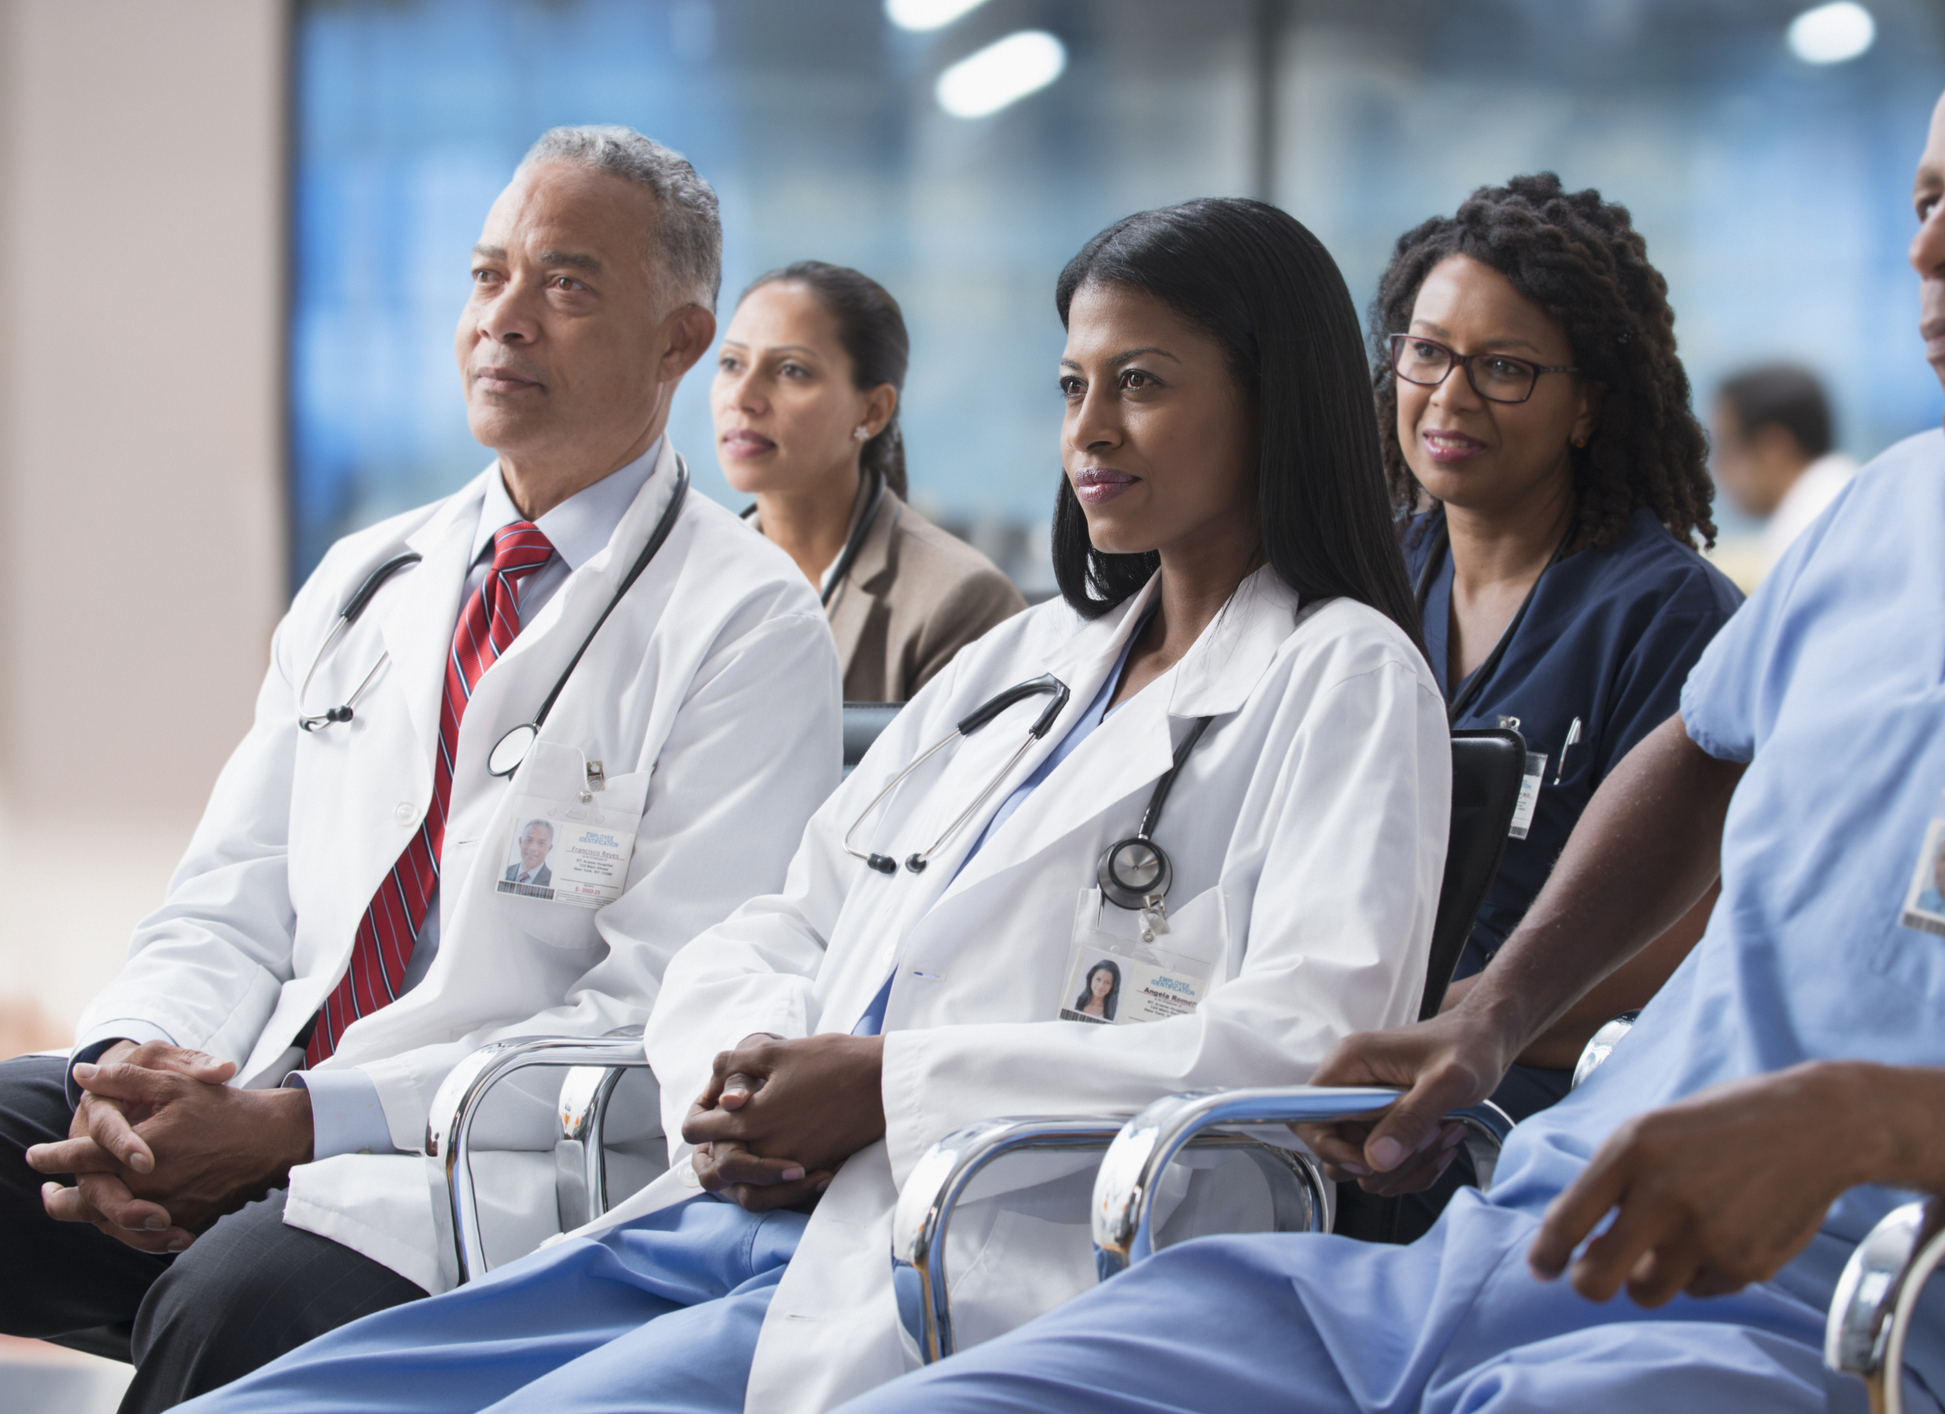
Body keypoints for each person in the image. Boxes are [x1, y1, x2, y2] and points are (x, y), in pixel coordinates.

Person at [829, 21, 1945, 1414]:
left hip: (1843, 1312)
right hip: (1518, 1234)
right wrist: (1494, 1012)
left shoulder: (1637, 597)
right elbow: (1694, 747)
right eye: (1926, 195)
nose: (1937, 245)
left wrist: (1864, 1116)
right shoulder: (1887, 513)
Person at [166, 197, 1453, 1414]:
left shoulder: (1341, 676)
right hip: (746, 1208)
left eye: (1144, 383)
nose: (1089, 432)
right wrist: (742, 1080)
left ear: (1273, 399)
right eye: (1073, 386)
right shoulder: (1027, 664)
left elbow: (1303, 1045)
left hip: (982, 1249)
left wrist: (895, 1087)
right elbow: (782, 918)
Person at [0, 125, 842, 1411]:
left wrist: (299, 1125)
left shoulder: (746, 624)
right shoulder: (369, 577)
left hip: (470, 1170)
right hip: (263, 1091)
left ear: (679, 340)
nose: (503, 319)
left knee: (236, 1301)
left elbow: (662, 1014)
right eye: (486, 273)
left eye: (565, 285)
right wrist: (136, 1069)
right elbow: (232, 894)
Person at [1367, 176, 1743, 1240]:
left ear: (1589, 403)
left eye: (1505, 368)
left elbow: (1680, 938)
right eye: (1427, 351)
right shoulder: (1369, 581)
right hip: (1345, 1047)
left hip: (1535, 1102)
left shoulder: (1668, 618)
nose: (1448, 397)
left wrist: (1467, 1023)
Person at [716, 260, 1025, 700]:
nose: (742, 397)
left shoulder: (960, 601)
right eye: (731, 363)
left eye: (791, 370)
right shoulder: (674, 578)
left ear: (873, 411)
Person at [1711, 363, 1858, 586]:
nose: (1718, 470)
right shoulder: (1848, 494)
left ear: (1773, 449)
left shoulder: (1805, 536)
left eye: (1726, 449)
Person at [498, 819, 555, 895]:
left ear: (549, 848)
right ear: (521, 842)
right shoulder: (504, 871)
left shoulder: (553, 881)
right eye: (528, 840)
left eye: (541, 843)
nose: (533, 848)